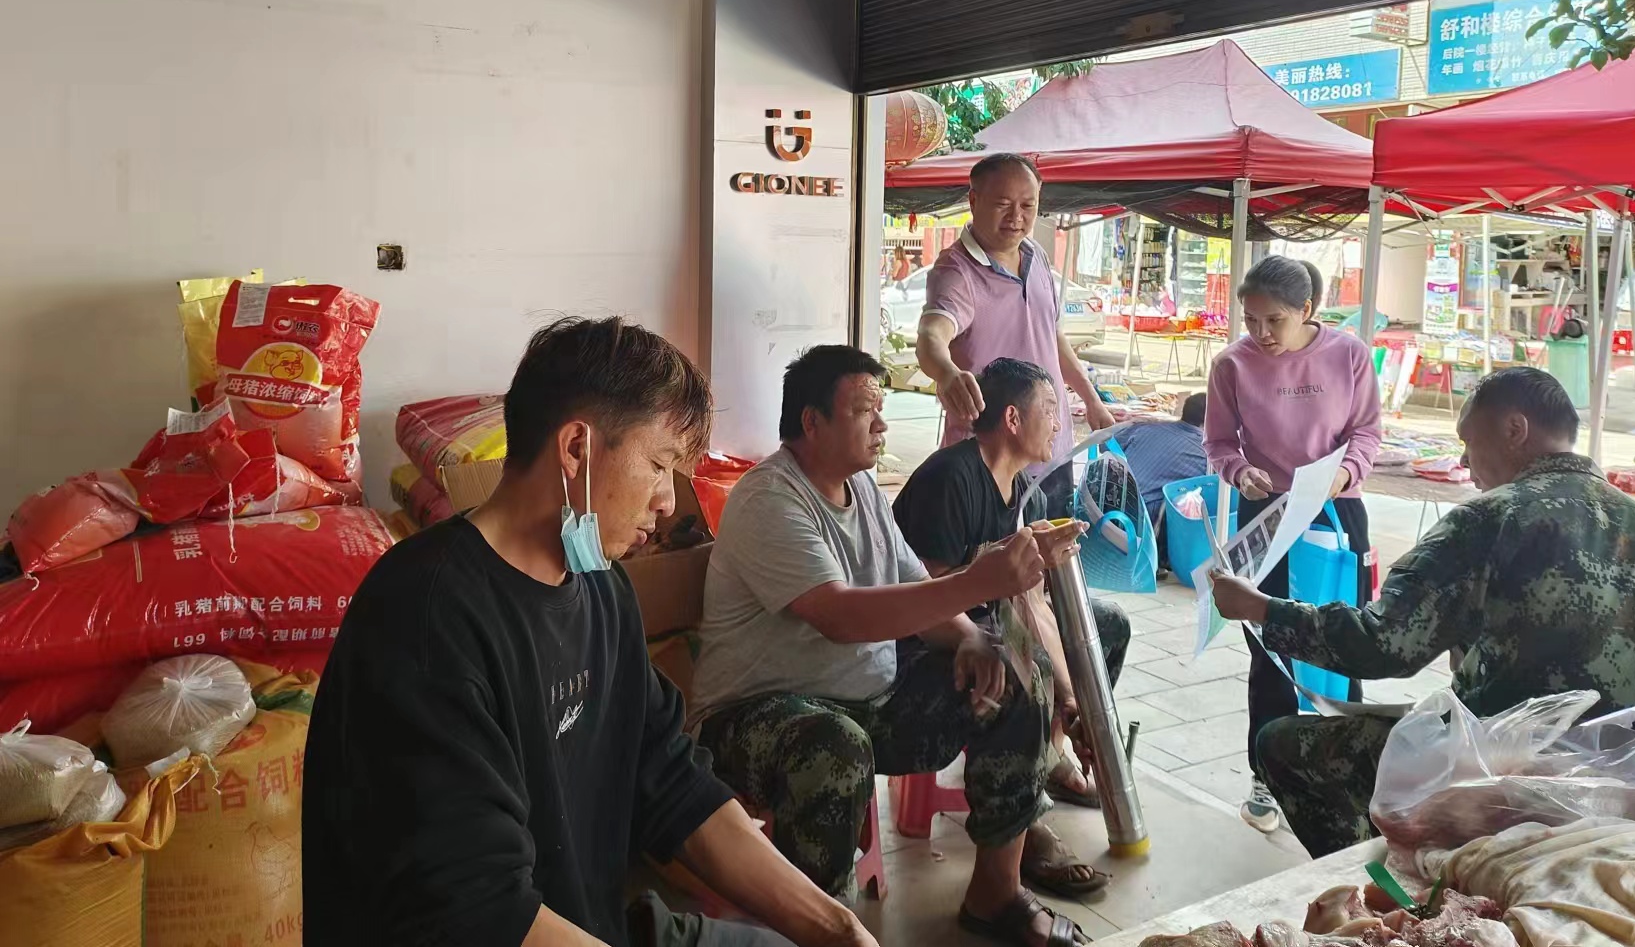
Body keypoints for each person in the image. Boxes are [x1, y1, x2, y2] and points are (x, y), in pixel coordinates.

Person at [302, 318, 875, 947]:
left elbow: (671, 783)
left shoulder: (602, 589)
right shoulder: (425, 615)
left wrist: (836, 927)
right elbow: (477, 911)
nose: (667, 501)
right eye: (658, 465)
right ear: (576, 447)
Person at [692, 346, 1090, 947]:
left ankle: (996, 893)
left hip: (867, 699)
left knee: (1014, 672)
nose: (881, 423)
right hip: (756, 714)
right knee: (834, 745)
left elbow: (915, 585)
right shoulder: (769, 499)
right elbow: (840, 616)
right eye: (864, 410)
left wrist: (970, 636)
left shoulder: (864, 489)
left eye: (880, 408)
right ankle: (819, 930)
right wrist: (978, 583)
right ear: (812, 421)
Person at [1211, 366, 1635, 858]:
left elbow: (1384, 645)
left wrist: (1262, 609)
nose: (1463, 461)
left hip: (1500, 770)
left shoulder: (1489, 518)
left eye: (1467, 441)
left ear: (1514, 429)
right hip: (1625, 772)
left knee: (1280, 744)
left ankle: (1382, 881)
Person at [892, 358, 1131, 899]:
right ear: (1012, 419)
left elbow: (1032, 606)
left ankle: (1046, 762)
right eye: (1050, 409)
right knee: (1020, 662)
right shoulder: (950, 479)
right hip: (930, 640)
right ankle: (1024, 822)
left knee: (1106, 627)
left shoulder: (1029, 495)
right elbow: (925, 597)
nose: (1060, 422)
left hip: (994, 625)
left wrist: (1074, 701)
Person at [1203, 255, 1382, 834]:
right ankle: (1269, 772)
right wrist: (1239, 473)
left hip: (1335, 508)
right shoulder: (1232, 365)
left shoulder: (1348, 354)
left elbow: (1367, 432)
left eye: (1273, 320)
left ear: (1307, 309)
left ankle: (1350, 770)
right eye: (1250, 319)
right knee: (1271, 644)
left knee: (1346, 639)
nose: (1260, 332)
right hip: (1267, 512)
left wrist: (1344, 474)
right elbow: (1218, 443)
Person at [916, 154, 1115, 517]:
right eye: (1003, 204)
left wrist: (1091, 399)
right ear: (973, 200)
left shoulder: (1036, 256)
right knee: (999, 553)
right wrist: (947, 373)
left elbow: (1051, 336)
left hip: (1051, 450)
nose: (1016, 217)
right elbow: (932, 336)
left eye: (1028, 206)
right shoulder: (956, 271)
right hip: (992, 465)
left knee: (1055, 547)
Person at [1110, 391, 1209, 571]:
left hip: (1106, 509)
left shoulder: (1145, 427)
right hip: (1143, 529)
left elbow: (1106, 446)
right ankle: (1162, 559)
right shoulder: (1208, 453)